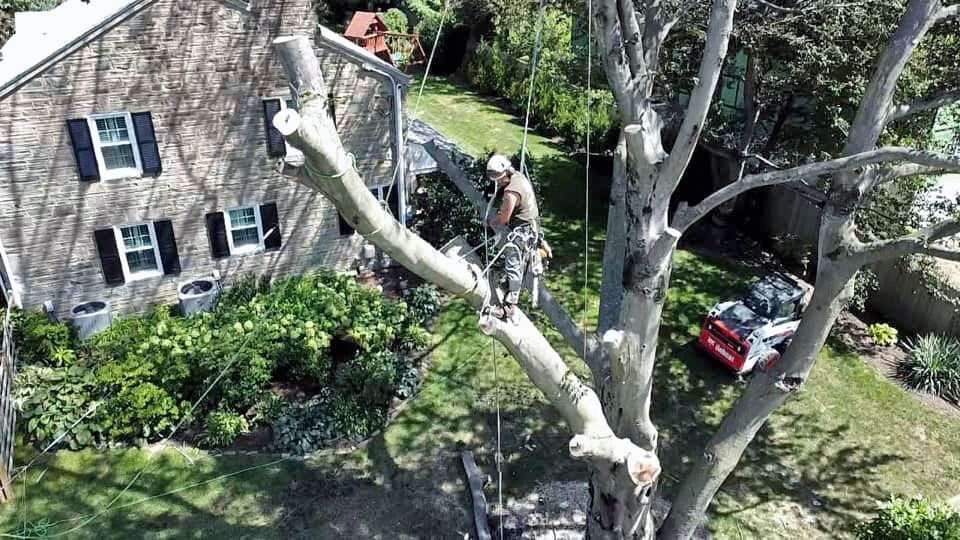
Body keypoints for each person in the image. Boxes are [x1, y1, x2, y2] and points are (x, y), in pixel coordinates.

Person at [485, 154, 541, 320]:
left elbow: (504, 219)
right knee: (518, 266)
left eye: (499, 180)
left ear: (504, 175)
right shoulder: (519, 177)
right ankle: (510, 290)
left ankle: (509, 307)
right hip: (530, 227)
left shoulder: (511, 193)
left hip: (522, 232)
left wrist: (490, 223)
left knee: (513, 265)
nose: (498, 183)